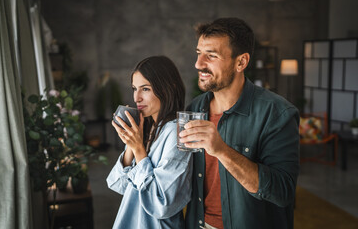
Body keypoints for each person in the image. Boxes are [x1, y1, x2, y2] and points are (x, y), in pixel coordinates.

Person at [181, 18, 300, 229]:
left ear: (241, 62)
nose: (198, 64)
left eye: (212, 55)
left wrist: (222, 151)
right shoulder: (194, 109)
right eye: (199, 53)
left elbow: (283, 192)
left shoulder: (277, 114)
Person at [107, 56, 192, 229]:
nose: (136, 97)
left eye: (145, 89)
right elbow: (118, 185)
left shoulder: (178, 132)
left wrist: (139, 150)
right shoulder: (149, 129)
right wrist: (131, 145)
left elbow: (162, 204)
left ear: (169, 88)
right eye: (134, 89)